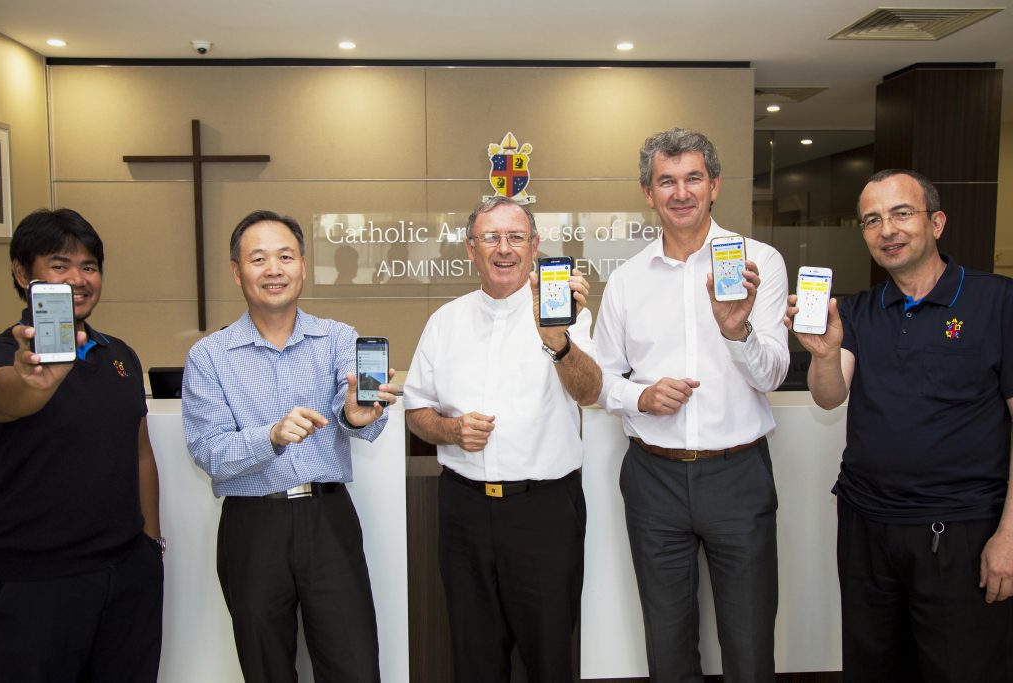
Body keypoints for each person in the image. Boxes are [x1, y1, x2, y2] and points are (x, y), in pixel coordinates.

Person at [785, 169, 1013, 681]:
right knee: (873, 667)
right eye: (872, 220)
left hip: (963, 532)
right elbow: (828, 397)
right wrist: (823, 352)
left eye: (901, 213)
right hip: (867, 527)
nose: (886, 229)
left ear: (937, 222)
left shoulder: (997, 302)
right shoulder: (861, 310)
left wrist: (1011, 535)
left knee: (963, 669)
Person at [594, 128, 789, 682]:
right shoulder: (628, 280)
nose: (681, 193)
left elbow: (773, 372)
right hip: (653, 478)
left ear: (715, 185)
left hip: (739, 475)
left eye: (693, 179)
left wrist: (736, 331)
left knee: (750, 643)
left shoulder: (760, 262)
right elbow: (602, 379)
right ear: (647, 193)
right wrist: (642, 396)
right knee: (668, 642)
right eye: (667, 181)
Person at [181, 209, 401, 683]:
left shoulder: (338, 338)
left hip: (327, 519)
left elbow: (361, 420)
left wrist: (356, 415)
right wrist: (271, 436)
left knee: (355, 666)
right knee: (266, 668)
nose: (274, 269)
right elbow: (208, 451)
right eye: (258, 259)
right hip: (252, 524)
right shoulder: (208, 356)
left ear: (302, 265)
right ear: (237, 272)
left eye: (285, 256)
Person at [405, 196, 601, 683]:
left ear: (535, 246)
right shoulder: (445, 321)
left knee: (550, 657)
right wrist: (449, 431)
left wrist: (558, 340)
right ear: (471, 249)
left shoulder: (567, 317)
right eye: (490, 237)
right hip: (464, 513)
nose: (504, 249)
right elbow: (415, 410)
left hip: (544, 513)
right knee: (474, 660)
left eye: (515, 237)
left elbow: (590, 392)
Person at [0, 208, 163, 682]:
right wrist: (34, 381)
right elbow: (8, 397)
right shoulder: (6, 357)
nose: (79, 279)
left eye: (89, 266)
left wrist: (150, 545)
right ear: (23, 274)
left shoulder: (119, 355)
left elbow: (141, 453)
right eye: (60, 265)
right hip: (36, 584)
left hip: (126, 575)